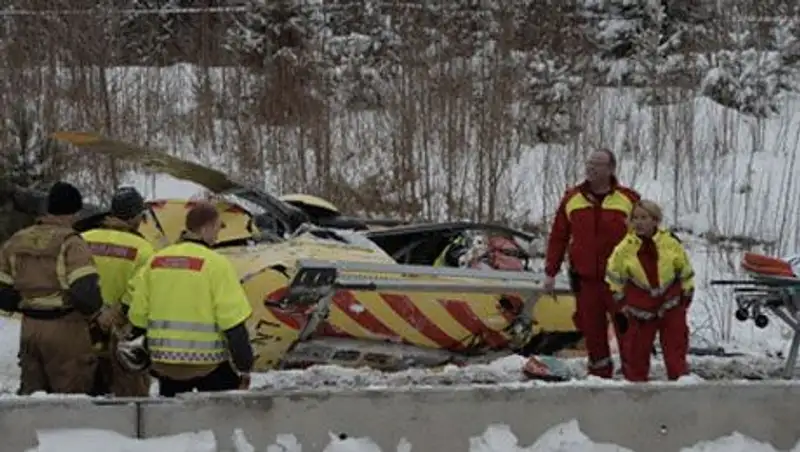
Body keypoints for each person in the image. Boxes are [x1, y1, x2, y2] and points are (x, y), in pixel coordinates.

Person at [126, 201, 254, 397]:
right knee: (224, 409)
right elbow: (233, 324)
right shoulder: (216, 265)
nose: (218, 235)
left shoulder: (156, 261)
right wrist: (244, 367)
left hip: (163, 364)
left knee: (173, 416)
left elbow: (137, 317)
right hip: (207, 364)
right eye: (218, 228)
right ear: (207, 227)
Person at [0, 181, 116, 395]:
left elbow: (3, 294)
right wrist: (99, 314)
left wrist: (30, 304)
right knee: (69, 397)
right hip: (65, 330)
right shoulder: (71, 243)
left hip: (29, 330)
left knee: (32, 395)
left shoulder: (16, 240)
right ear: (73, 212)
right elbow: (85, 294)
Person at [543, 149, 640, 378]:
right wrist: (550, 271)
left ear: (611, 169)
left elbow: (645, 237)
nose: (591, 168)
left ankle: (634, 378)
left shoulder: (628, 199)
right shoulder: (572, 198)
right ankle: (599, 379)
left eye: (597, 164)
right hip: (587, 282)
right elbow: (559, 236)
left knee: (629, 332)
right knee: (593, 335)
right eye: (589, 163)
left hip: (620, 283)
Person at [605, 200, 694, 382]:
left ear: (655, 220)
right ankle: (636, 396)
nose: (638, 222)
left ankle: (680, 390)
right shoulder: (623, 249)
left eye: (644, 218)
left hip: (670, 305)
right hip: (640, 310)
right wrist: (621, 303)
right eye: (635, 218)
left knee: (675, 352)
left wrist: (686, 294)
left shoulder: (670, 243)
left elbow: (685, 271)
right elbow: (614, 279)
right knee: (636, 354)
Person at [81, 187, 154, 397]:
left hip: (84, 329)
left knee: (85, 394)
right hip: (122, 333)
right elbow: (139, 291)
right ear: (135, 216)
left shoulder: (83, 239)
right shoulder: (143, 249)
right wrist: (116, 313)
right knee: (127, 396)